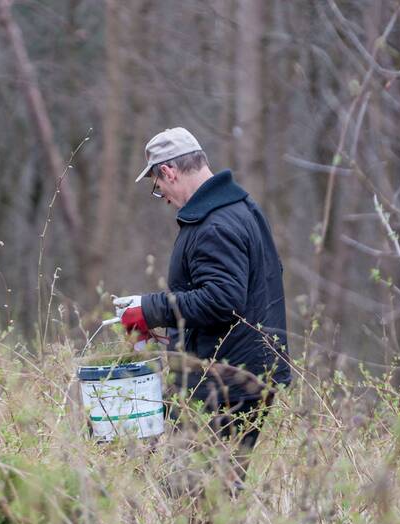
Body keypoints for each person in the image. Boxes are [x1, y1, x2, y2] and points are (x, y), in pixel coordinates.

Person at [116, 127, 291, 488]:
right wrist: (167, 324)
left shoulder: (216, 224)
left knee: (195, 496)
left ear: (169, 171)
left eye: (157, 185)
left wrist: (151, 309)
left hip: (225, 385)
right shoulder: (239, 209)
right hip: (240, 376)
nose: (161, 196)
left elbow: (223, 301)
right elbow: (238, 303)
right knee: (212, 493)